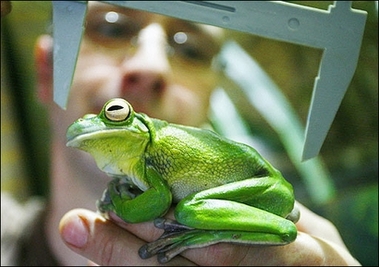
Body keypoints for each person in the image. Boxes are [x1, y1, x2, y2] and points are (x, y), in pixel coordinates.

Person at [1, 1, 362, 265]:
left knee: (191, 211)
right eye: (113, 27)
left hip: (252, 195)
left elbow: (155, 201)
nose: (151, 64)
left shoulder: (150, 159)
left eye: (191, 49)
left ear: (214, 94)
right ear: (47, 70)